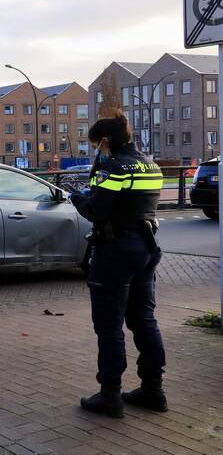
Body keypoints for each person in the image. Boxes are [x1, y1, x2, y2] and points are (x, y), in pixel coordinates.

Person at [70, 110, 166, 417]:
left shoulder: (114, 168)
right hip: (146, 247)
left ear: (105, 141)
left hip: (115, 250)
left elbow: (96, 210)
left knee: (109, 324)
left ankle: (110, 394)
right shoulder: (150, 164)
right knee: (144, 320)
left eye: (96, 144)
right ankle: (153, 389)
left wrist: (76, 198)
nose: (95, 149)